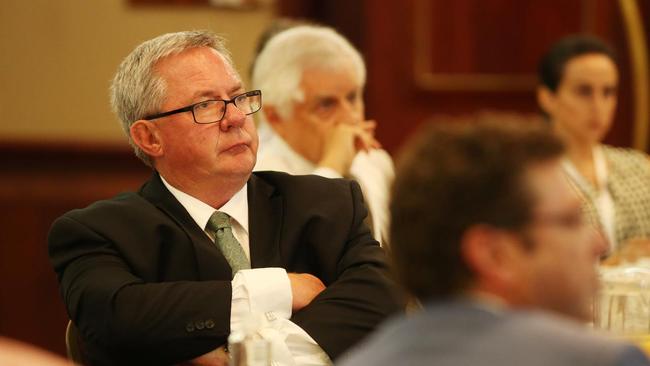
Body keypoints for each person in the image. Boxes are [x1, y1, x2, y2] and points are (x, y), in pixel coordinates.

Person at [47, 30, 402, 366]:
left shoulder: (327, 203)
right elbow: (115, 319)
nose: (235, 118)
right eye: (207, 106)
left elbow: (383, 298)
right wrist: (278, 288)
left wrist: (256, 356)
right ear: (150, 138)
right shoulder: (99, 232)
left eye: (238, 98)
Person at [338, 116, 650, 366]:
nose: (601, 243)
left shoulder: (358, 360)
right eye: (571, 221)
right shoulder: (601, 359)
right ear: (494, 255)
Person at [251, 25, 394, 245]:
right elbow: (299, 250)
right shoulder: (258, 178)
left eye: (353, 97)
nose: (351, 117)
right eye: (326, 104)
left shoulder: (375, 161)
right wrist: (333, 165)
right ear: (275, 117)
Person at [537, 35, 650, 254]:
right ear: (548, 98)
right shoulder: (534, 172)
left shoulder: (639, 168)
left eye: (608, 92)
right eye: (584, 91)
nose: (598, 106)